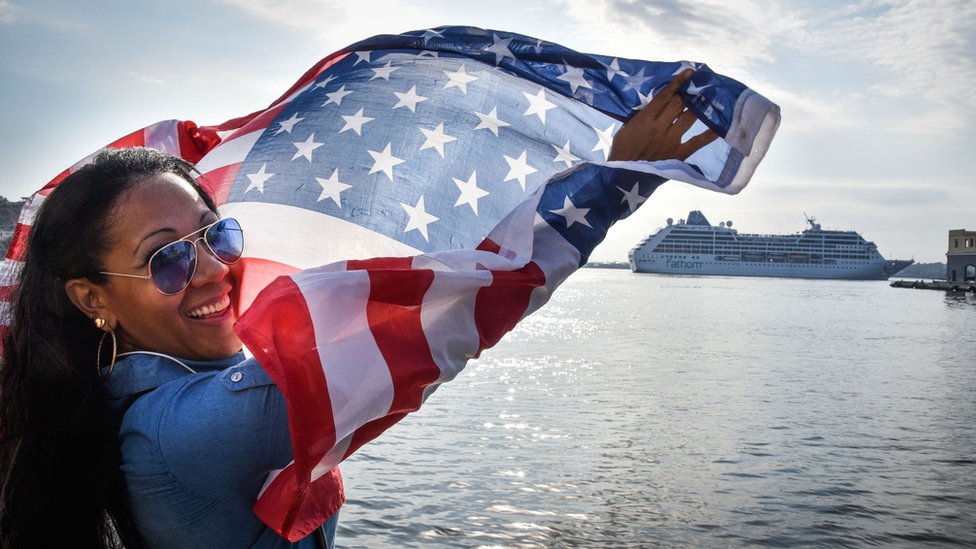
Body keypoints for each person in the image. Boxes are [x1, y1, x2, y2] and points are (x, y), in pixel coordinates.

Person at [0, 70, 714, 548]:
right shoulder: (182, 431)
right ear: (93, 297)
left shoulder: (116, 393)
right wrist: (609, 177)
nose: (214, 269)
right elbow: (419, 318)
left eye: (215, 233)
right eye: (168, 257)